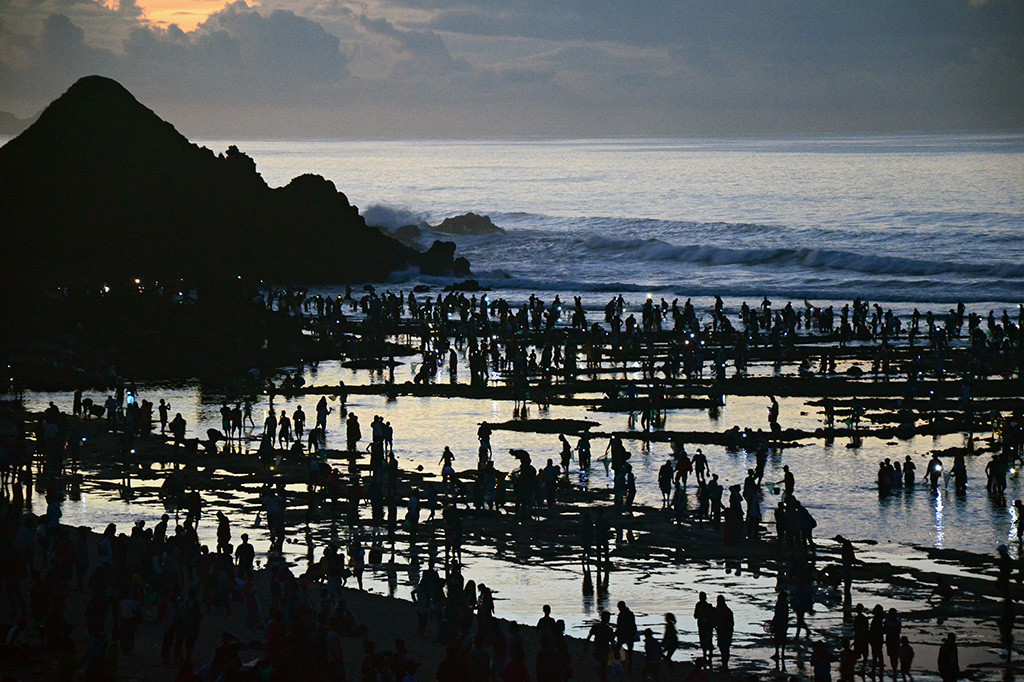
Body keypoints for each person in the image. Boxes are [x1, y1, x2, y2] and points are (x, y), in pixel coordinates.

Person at [694, 592, 715, 662]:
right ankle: (708, 656)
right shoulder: (708, 606)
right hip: (706, 626)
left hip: (704, 626)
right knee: (707, 640)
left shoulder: (700, 605)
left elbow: (695, 616)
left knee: (704, 641)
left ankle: (706, 656)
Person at [715, 595, 734, 670]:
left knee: (724, 648)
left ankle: (725, 665)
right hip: (725, 632)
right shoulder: (726, 611)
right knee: (724, 648)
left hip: (724, 632)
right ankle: (724, 664)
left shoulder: (724, 611)